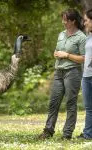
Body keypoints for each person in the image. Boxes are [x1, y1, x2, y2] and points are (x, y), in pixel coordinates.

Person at [39, 8, 86, 140]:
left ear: (73, 21)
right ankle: (48, 131)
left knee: (71, 103)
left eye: (65, 20)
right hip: (59, 72)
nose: (63, 22)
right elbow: (57, 50)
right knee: (53, 103)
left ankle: (67, 134)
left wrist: (67, 55)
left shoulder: (81, 37)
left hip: (73, 73)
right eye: (63, 19)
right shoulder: (61, 34)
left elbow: (83, 58)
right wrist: (56, 53)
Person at [77, 9, 92, 140]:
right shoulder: (88, 36)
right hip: (86, 76)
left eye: (86, 20)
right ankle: (88, 134)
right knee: (89, 108)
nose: (84, 23)